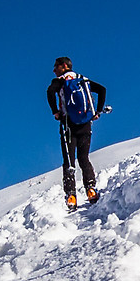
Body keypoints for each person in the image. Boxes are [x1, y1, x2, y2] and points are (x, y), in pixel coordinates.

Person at [46, 57, 109, 209]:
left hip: (68, 125)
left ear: (64, 66)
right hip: (85, 124)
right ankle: (91, 189)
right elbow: (102, 90)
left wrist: (55, 112)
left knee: (69, 160)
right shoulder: (82, 79)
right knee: (83, 158)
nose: (54, 70)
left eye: (56, 67)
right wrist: (97, 111)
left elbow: (49, 92)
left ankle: (71, 196)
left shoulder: (60, 81)